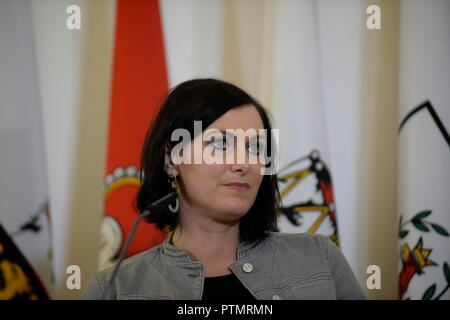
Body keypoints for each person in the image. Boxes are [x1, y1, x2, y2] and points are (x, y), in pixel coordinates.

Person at [83, 78, 366, 300]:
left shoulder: (319, 258)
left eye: (255, 147)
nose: (243, 163)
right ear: (171, 160)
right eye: (220, 144)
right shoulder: (114, 289)